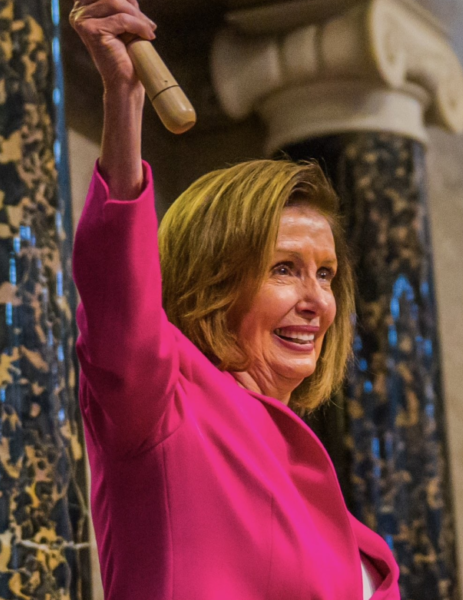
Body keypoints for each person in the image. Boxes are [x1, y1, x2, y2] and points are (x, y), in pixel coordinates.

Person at [68, 0, 400, 597]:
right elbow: (118, 290)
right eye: (284, 269)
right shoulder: (165, 399)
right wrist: (125, 98)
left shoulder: (353, 536)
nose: (316, 302)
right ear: (214, 282)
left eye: (325, 276)